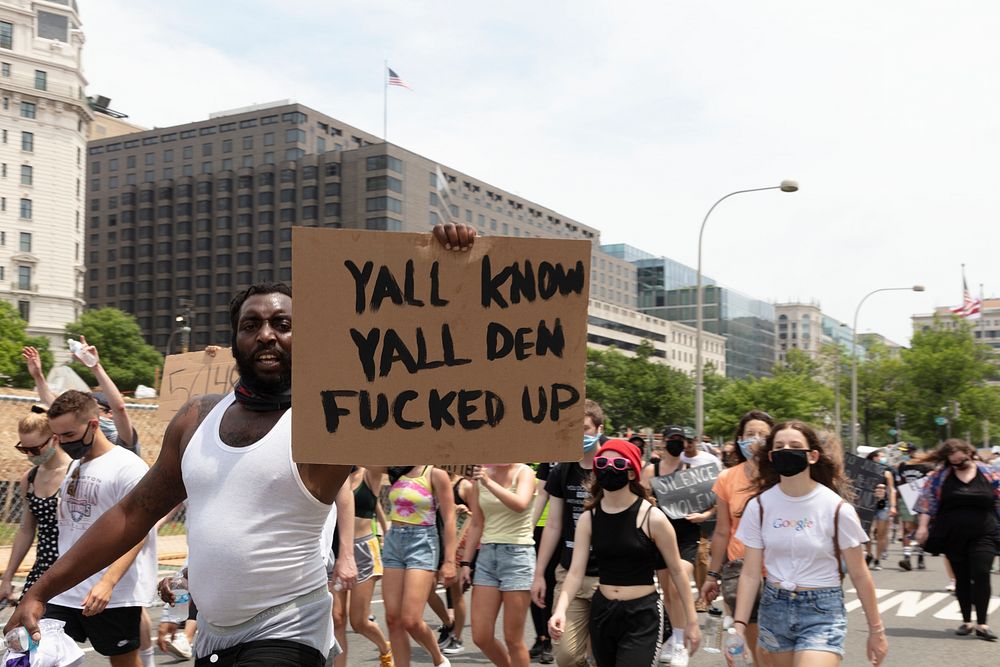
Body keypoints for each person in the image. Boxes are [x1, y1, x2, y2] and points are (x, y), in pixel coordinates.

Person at [5, 224, 475, 666]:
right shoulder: (196, 418)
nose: (266, 333)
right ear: (235, 340)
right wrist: (41, 591)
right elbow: (133, 513)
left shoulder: (332, 419)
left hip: (289, 632)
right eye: (251, 325)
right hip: (211, 635)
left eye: (282, 324)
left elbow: (423, 359)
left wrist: (450, 268)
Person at [731, 421, 888, 666]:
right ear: (771, 456)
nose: (786, 450)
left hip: (822, 611)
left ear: (813, 456)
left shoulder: (837, 509)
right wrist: (739, 627)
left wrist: (876, 631)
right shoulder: (759, 507)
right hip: (774, 608)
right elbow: (750, 573)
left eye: (795, 446)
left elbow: (859, 573)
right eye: (779, 446)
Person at [549, 439, 701, 667]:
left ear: (631, 473)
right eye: (603, 462)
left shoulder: (653, 518)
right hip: (603, 613)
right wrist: (560, 609)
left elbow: (677, 572)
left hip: (642, 615)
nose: (609, 467)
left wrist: (692, 621)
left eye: (618, 463)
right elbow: (575, 573)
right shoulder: (588, 519)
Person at [37, 390, 157, 667]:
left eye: (68, 435)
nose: (63, 443)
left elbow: (139, 531)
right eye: (58, 437)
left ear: (93, 425)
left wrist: (108, 582)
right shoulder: (76, 465)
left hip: (111, 594)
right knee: (41, 654)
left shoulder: (128, 467)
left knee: (123, 662)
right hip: (67, 589)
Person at [532, 399, 605, 667]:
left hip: (607, 576)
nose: (579, 435)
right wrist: (539, 573)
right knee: (566, 656)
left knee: (602, 653)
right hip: (569, 572)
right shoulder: (562, 469)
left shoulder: (611, 468)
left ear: (599, 429)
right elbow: (553, 525)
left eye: (585, 428)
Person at [700, 409, 773, 664]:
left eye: (763, 435)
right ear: (739, 438)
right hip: (739, 574)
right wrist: (712, 575)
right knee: (744, 649)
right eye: (749, 434)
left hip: (779, 574)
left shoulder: (783, 476)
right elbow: (722, 531)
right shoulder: (727, 478)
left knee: (771, 652)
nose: (755, 440)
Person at [915, 439, 1000, 641]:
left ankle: (982, 623)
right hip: (952, 534)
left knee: (981, 572)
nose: (956, 464)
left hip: (984, 532)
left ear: (969, 454)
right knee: (961, 577)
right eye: (951, 461)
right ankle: (966, 621)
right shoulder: (940, 477)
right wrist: (922, 527)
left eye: (960, 460)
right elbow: (928, 502)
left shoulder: (989, 473)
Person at [641, 426, 710, 666]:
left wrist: (704, 516)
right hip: (660, 534)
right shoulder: (652, 470)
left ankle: (680, 643)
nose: (676, 442)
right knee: (666, 589)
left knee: (675, 588)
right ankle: (674, 637)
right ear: (664, 442)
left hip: (686, 535)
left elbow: (713, 502)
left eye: (681, 439)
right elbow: (641, 497)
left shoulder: (693, 470)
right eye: (672, 439)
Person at [461, 462, 536, 667]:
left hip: (518, 556)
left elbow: (520, 504)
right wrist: (466, 562)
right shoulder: (480, 476)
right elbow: (477, 522)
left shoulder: (525, 472)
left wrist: (487, 481)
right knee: (481, 636)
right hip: (487, 555)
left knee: (513, 638)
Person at [382, 465, 457, 667]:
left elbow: (450, 518)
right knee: (392, 619)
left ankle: (439, 659)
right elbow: (361, 459)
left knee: (411, 620)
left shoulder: (435, 473)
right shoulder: (394, 468)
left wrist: (450, 561)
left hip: (422, 542)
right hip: (393, 541)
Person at [0, 410, 70, 603]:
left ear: (54, 439)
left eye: (35, 449)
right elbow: (26, 530)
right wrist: (7, 577)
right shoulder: (30, 478)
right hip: (43, 569)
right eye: (24, 449)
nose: (30, 455)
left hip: (74, 569)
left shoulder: (75, 473)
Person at [23, 342, 140, 455]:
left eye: (97, 409)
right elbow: (54, 405)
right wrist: (38, 377)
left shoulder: (119, 441)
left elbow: (119, 408)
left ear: (110, 413)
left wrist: (95, 367)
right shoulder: (85, 442)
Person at [330, 467, 391, 667]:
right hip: (338, 550)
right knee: (337, 619)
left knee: (359, 622)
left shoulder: (369, 473)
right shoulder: (336, 476)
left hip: (364, 550)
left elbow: (382, 456)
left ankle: (385, 649)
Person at [528, 463, 557, 664]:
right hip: (536, 527)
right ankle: (540, 637)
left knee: (550, 585)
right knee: (534, 583)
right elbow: (540, 494)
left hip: (559, 529)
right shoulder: (546, 461)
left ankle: (549, 639)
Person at [895, 443, 930, 571]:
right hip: (906, 498)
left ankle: (920, 556)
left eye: (907, 451)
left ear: (914, 451)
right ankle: (907, 558)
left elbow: (929, 482)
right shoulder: (902, 466)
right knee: (907, 527)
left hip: (921, 499)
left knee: (920, 528)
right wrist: (896, 502)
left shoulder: (925, 465)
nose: (905, 454)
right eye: (903, 452)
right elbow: (900, 483)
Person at [864, 450, 897, 570]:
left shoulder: (887, 473)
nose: (883, 458)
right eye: (880, 456)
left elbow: (892, 490)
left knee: (881, 533)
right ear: (873, 458)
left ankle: (877, 559)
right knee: (867, 532)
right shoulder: (865, 472)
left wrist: (893, 506)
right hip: (868, 504)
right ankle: (869, 553)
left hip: (883, 505)